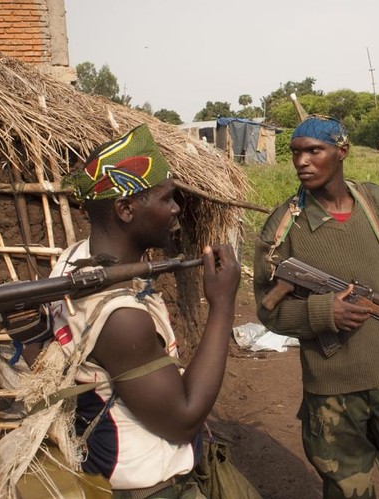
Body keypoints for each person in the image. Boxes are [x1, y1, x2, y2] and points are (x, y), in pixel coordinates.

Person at [253, 115, 379, 498]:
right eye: (295, 152)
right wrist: (323, 313)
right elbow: (267, 308)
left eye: (314, 151)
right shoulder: (284, 226)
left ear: (342, 151)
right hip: (331, 395)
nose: (302, 162)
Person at [54, 123, 241, 496]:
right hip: (153, 487)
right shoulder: (122, 318)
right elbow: (184, 421)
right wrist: (222, 305)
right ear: (125, 209)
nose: (176, 209)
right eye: (166, 198)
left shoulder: (74, 260)